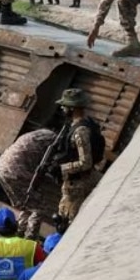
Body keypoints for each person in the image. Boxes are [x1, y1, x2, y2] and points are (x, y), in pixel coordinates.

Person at [54, 88, 101, 228]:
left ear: (72, 108)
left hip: (78, 184)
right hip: (82, 179)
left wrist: (61, 168)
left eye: (64, 106)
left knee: (67, 224)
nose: (62, 108)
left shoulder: (80, 131)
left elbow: (85, 162)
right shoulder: (85, 123)